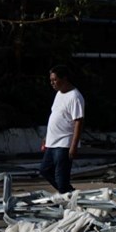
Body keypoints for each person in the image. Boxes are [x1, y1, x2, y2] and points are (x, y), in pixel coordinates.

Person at [38, 65, 85, 194]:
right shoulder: (59, 94)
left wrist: (73, 145)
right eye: (51, 80)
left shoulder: (75, 97)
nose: (52, 83)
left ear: (64, 79)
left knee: (61, 176)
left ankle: (66, 200)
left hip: (64, 143)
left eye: (54, 80)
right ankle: (68, 192)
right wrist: (46, 137)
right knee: (45, 170)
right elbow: (55, 116)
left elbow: (78, 122)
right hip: (52, 142)